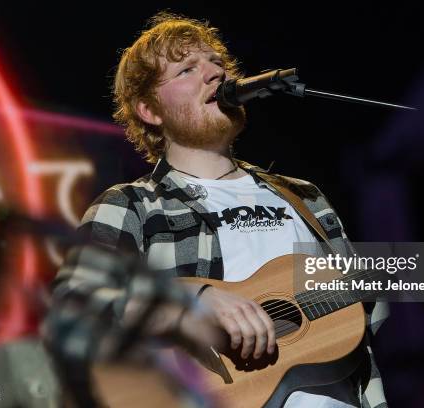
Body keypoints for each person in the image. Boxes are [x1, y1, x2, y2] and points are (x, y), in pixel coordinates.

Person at [45, 12, 389, 408]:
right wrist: (192, 302)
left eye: (218, 63)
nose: (215, 74)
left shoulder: (305, 198)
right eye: (187, 69)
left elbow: (368, 309)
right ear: (149, 111)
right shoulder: (131, 206)